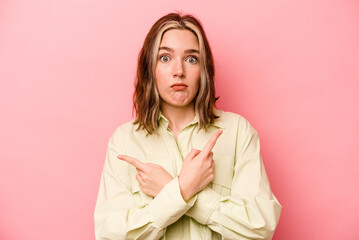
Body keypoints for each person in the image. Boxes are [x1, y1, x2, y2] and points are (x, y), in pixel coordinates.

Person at [94, 13, 282, 240]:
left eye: (191, 59)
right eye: (165, 58)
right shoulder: (124, 140)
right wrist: (181, 190)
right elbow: (110, 235)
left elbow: (260, 228)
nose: (179, 71)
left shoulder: (237, 132)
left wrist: (172, 189)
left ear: (204, 69)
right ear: (149, 69)